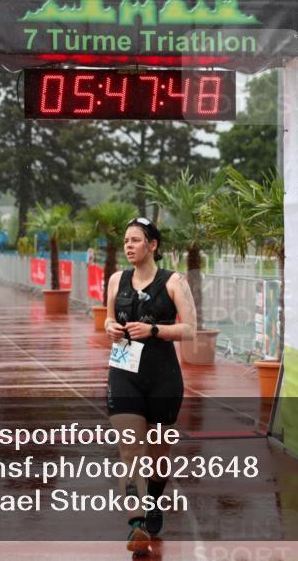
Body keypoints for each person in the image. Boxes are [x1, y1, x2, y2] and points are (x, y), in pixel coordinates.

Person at [104, 217, 196, 555]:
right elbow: (108, 317)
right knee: (130, 450)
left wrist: (154, 330)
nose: (128, 246)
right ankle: (136, 523)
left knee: (158, 455)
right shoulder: (117, 280)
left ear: (152, 245)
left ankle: (154, 500)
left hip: (162, 377)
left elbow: (190, 329)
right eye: (126, 241)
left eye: (136, 240)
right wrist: (110, 327)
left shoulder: (174, 282)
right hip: (124, 371)